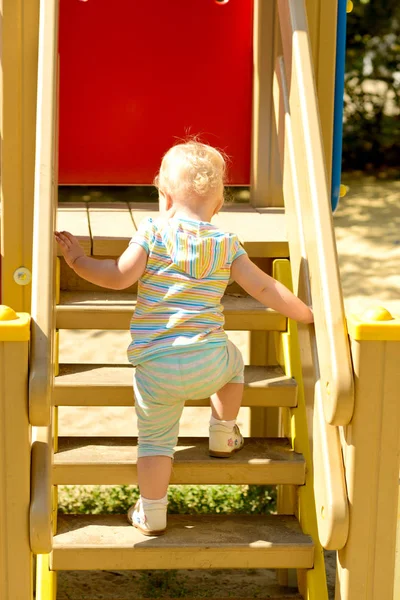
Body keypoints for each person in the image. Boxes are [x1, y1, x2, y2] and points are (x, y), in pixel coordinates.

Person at [55, 140, 313, 536]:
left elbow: (119, 276)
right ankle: (224, 432)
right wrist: (307, 313)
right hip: (209, 362)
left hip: (156, 367)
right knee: (236, 361)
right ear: (219, 204)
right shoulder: (226, 243)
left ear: (165, 195)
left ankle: (153, 512)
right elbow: (263, 289)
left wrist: (78, 261)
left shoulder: (153, 231)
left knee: (156, 444)